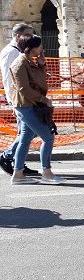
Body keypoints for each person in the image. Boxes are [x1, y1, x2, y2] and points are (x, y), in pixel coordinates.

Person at [9, 34, 65, 184]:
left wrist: (41, 65)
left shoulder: (29, 62)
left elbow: (40, 81)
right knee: (48, 137)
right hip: (26, 106)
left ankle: (18, 174)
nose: (41, 48)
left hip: (30, 105)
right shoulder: (20, 64)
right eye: (39, 46)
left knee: (25, 140)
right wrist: (44, 99)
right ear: (30, 48)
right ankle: (47, 172)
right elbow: (23, 88)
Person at [0, 23, 40, 176]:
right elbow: (10, 78)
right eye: (28, 35)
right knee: (28, 132)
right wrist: (14, 101)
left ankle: (18, 162)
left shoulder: (17, 52)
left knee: (27, 132)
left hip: (22, 98)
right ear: (18, 36)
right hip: (20, 100)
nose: (31, 38)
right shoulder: (12, 53)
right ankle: (8, 156)